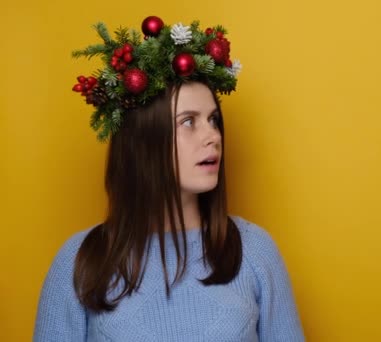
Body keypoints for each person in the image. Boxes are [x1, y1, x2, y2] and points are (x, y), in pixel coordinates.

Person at [34, 16, 304, 341]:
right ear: (144, 142)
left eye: (213, 120)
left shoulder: (255, 253)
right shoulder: (77, 264)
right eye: (189, 122)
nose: (213, 136)